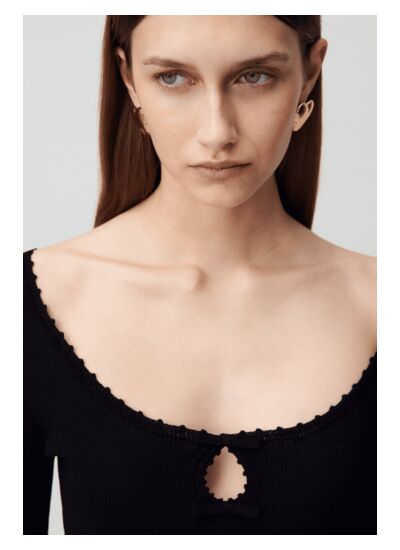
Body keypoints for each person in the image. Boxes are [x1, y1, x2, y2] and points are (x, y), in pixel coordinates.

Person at [24, 15, 377, 534]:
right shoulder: (30, 304)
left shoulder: (378, 305)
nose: (217, 132)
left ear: (310, 74)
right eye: (173, 77)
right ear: (129, 80)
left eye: (255, 76)